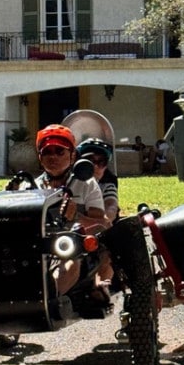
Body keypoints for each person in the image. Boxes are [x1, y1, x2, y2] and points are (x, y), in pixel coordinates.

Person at [33, 124, 105, 295]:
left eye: (59, 151)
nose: (53, 157)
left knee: (71, 262)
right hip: (39, 247)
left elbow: (102, 225)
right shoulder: (32, 187)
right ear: (40, 157)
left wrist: (76, 217)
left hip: (74, 247)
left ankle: (51, 299)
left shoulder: (86, 184)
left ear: (72, 156)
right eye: (47, 152)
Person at [75, 137, 119, 288]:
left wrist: (105, 218)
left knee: (103, 252)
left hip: (95, 233)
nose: (96, 166)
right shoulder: (72, 185)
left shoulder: (107, 186)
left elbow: (111, 206)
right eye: (89, 160)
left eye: (102, 162)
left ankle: (102, 286)